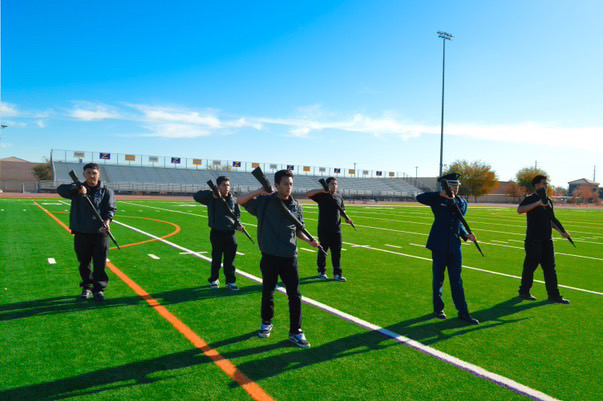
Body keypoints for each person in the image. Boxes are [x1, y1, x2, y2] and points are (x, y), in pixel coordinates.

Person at [238, 169, 320, 348]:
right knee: (268, 292)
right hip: (269, 256)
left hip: (290, 257)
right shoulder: (265, 202)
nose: (289, 187)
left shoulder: (297, 206)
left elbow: (298, 229)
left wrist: (309, 241)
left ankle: (296, 331)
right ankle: (266, 323)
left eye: (291, 184)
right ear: (276, 185)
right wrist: (260, 191)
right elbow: (240, 201)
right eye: (285, 184)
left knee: (295, 295)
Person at [416, 173, 479, 325]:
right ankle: (438, 309)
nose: (456, 189)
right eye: (452, 186)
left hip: (455, 247)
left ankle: (463, 312)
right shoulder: (437, 199)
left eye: (457, 186)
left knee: (457, 280)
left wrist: (466, 235)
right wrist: (440, 194)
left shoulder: (462, 203)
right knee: (438, 279)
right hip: (439, 245)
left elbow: (458, 224)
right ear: (446, 187)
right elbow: (420, 197)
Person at [57, 163, 117, 302]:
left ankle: (99, 289)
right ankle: (87, 287)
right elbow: (60, 189)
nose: (91, 175)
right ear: (84, 174)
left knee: (100, 262)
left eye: (94, 173)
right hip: (82, 232)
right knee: (84, 262)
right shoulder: (76, 189)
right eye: (88, 173)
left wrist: (107, 221)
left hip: (100, 233)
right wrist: (76, 188)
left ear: (99, 174)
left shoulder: (107, 191)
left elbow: (111, 209)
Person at [517, 175, 570, 304]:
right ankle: (524, 291)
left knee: (550, 269)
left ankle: (554, 295)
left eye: (546, 183)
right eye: (543, 183)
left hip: (548, 240)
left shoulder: (549, 201)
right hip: (534, 241)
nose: (546, 186)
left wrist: (561, 231)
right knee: (530, 268)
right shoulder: (530, 199)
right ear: (536, 185)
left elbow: (551, 220)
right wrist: (538, 203)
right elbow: (520, 210)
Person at [193, 176, 243, 291]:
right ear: (218, 186)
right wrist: (212, 194)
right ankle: (214, 279)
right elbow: (196, 196)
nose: (227, 187)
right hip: (217, 233)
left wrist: (238, 225)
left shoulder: (233, 199)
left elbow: (237, 215)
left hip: (230, 233)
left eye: (228, 185)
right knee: (217, 258)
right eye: (224, 185)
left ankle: (231, 281)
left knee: (230, 259)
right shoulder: (211, 198)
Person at [305, 177, 353, 282]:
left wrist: (346, 218)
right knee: (323, 251)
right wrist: (322, 190)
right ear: (327, 185)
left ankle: (337, 274)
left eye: (336, 184)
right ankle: (322, 272)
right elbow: (307, 194)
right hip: (324, 229)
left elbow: (342, 210)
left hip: (337, 229)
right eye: (332, 184)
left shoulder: (339, 196)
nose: (334, 186)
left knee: (337, 253)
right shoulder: (322, 195)